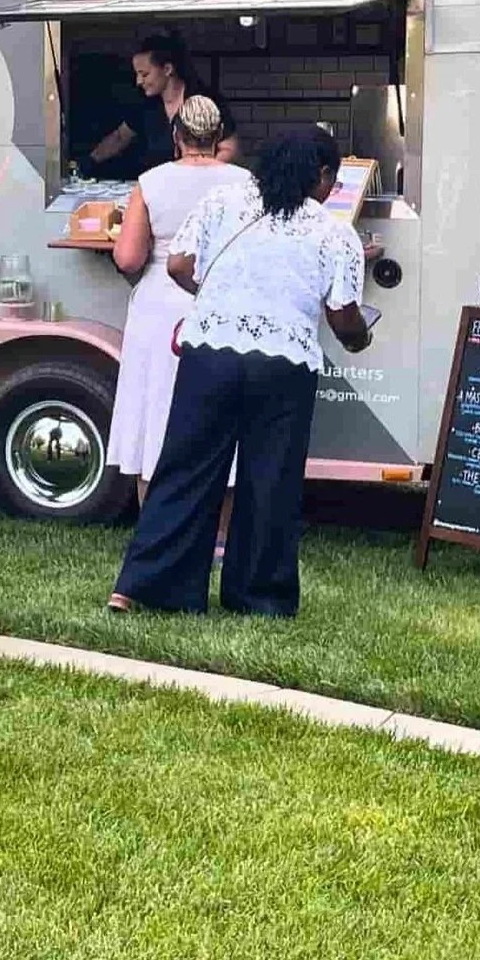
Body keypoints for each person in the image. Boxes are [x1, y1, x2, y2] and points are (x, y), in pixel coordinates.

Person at [109, 126, 373, 618]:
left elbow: (178, 265)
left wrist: (215, 297)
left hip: (209, 351)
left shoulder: (223, 200)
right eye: (331, 182)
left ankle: (145, 586)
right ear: (320, 175)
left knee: (184, 468)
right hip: (283, 363)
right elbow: (343, 315)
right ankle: (259, 598)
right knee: (269, 478)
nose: (330, 192)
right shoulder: (333, 231)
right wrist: (361, 337)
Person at [107, 94, 258, 501]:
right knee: (223, 410)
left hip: (160, 305)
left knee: (154, 408)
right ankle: (222, 536)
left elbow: (128, 256)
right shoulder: (246, 184)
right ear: (217, 136)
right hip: (223, 303)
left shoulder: (151, 182)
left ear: (177, 135)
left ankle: (153, 527)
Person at [86, 32, 195, 179]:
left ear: (167, 69)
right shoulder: (145, 104)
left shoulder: (202, 99)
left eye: (144, 74)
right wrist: (89, 161)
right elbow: (120, 137)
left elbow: (229, 149)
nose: (138, 81)